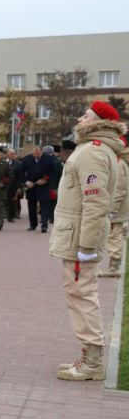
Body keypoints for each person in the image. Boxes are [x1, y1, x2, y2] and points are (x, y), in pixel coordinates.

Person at [51, 101, 127, 381]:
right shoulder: (96, 148)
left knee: (82, 294)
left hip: (81, 236)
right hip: (80, 233)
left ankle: (92, 360)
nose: (81, 116)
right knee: (80, 293)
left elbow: (95, 202)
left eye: (87, 114)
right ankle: (89, 355)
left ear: (100, 121)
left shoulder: (93, 151)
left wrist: (85, 247)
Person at [100, 149, 129, 278]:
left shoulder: (119, 163)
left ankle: (114, 267)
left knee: (114, 236)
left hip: (117, 208)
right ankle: (114, 264)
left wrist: (113, 209)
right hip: (118, 206)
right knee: (114, 235)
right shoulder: (121, 161)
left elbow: (119, 189)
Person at [19, 144, 57, 233]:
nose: (36, 154)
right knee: (31, 206)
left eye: (38, 153)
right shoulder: (27, 159)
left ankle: (44, 225)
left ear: (41, 152)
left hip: (44, 186)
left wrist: (45, 180)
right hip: (31, 186)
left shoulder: (49, 159)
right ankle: (33, 224)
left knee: (44, 206)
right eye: (34, 153)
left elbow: (54, 171)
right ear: (32, 152)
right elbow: (20, 171)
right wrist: (26, 181)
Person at [5, 148, 22, 222]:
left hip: (13, 185)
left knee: (12, 202)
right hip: (3, 185)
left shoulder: (18, 163)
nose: (13, 155)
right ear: (7, 154)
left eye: (14, 154)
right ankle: (4, 214)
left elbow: (20, 176)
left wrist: (19, 187)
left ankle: (11, 217)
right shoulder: (2, 162)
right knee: (3, 200)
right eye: (11, 153)